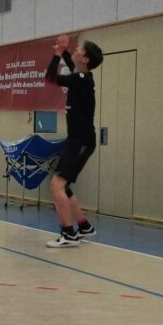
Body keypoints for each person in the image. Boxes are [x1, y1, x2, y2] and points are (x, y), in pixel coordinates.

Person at [44, 33, 103, 247]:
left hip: (81, 142)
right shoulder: (82, 78)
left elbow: (50, 78)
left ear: (85, 59)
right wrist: (64, 51)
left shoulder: (80, 80)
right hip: (77, 140)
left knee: (56, 185)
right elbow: (71, 64)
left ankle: (69, 234)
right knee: (64, 187)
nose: (76, 50)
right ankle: (84, 226)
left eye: (79, 50)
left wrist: (57, 54)